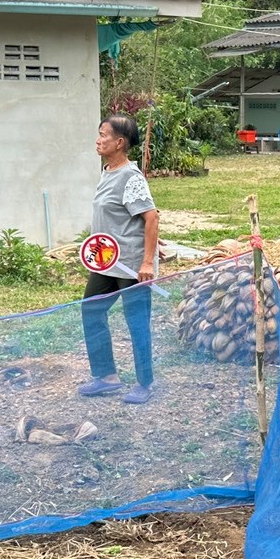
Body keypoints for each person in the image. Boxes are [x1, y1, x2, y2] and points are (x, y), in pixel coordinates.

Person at [78, 115, 159, 404]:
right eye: (99, 134)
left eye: (104, 135)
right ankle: (106, 377)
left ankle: (145, 383)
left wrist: (147, 263)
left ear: (120, 142)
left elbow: (151, 218)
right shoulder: (108, 171)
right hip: (106, 262)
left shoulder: (130, 177)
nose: (98, 140)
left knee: (136, 320)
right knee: (91, 310)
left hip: (132, 265)